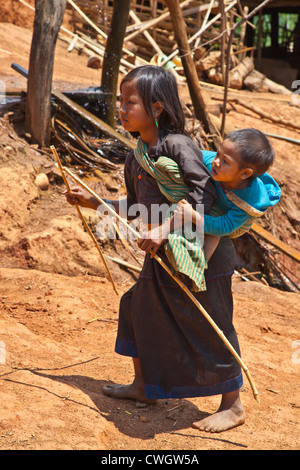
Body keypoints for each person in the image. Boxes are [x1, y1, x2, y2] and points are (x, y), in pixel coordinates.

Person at [64, 65, 246, 433]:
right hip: (162, 254)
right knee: (136, 306)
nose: (122, 107)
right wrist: (95, 202)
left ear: (157, 107)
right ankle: (144, 387)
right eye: (120, 100)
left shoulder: (178, 145)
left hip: (201, 254)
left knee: (210, 322)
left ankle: (234, 404)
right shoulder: (136, 158)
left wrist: (164, 230)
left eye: (131, 101)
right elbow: (136, 206)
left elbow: (204, 195)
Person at [173, 128, 281, 261]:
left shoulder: (249, 201)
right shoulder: (211, 162)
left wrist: (193, 216)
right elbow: (190, 157)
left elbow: (224, 226)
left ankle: (197, 267)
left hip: (231, 223)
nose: (216, 161)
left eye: (225, 161)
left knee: (213, 236)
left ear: (244, 173)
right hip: (214, 203)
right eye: (218, 154)